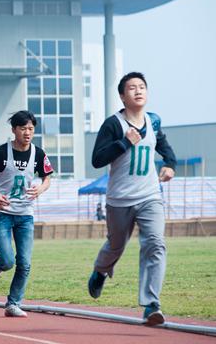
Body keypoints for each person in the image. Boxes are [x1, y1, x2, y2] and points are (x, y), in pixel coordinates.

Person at [88, 72, 176, 326]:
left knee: (155, 244)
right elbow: (97, 159)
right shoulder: (113, 124)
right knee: (116, 246)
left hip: (150, 196)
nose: (138, 91)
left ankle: (151, 304)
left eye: (142, 87)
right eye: (132, 88)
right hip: (119, 200)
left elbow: (166, 150)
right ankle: (100, 271)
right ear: (122, 96)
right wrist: (124, 143)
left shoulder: (154, 121)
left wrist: (170, 165)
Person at [0, 110, 53, 317]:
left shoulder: (38, 154)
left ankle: (13, 303)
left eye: (30, 129)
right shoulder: (1, 153)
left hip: (25, 214)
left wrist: (41, 188)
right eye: (23, 128)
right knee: (8, 261)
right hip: (2, 212)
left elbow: (47, 177)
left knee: (25, 263)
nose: (27, 133)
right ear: (14, 130)